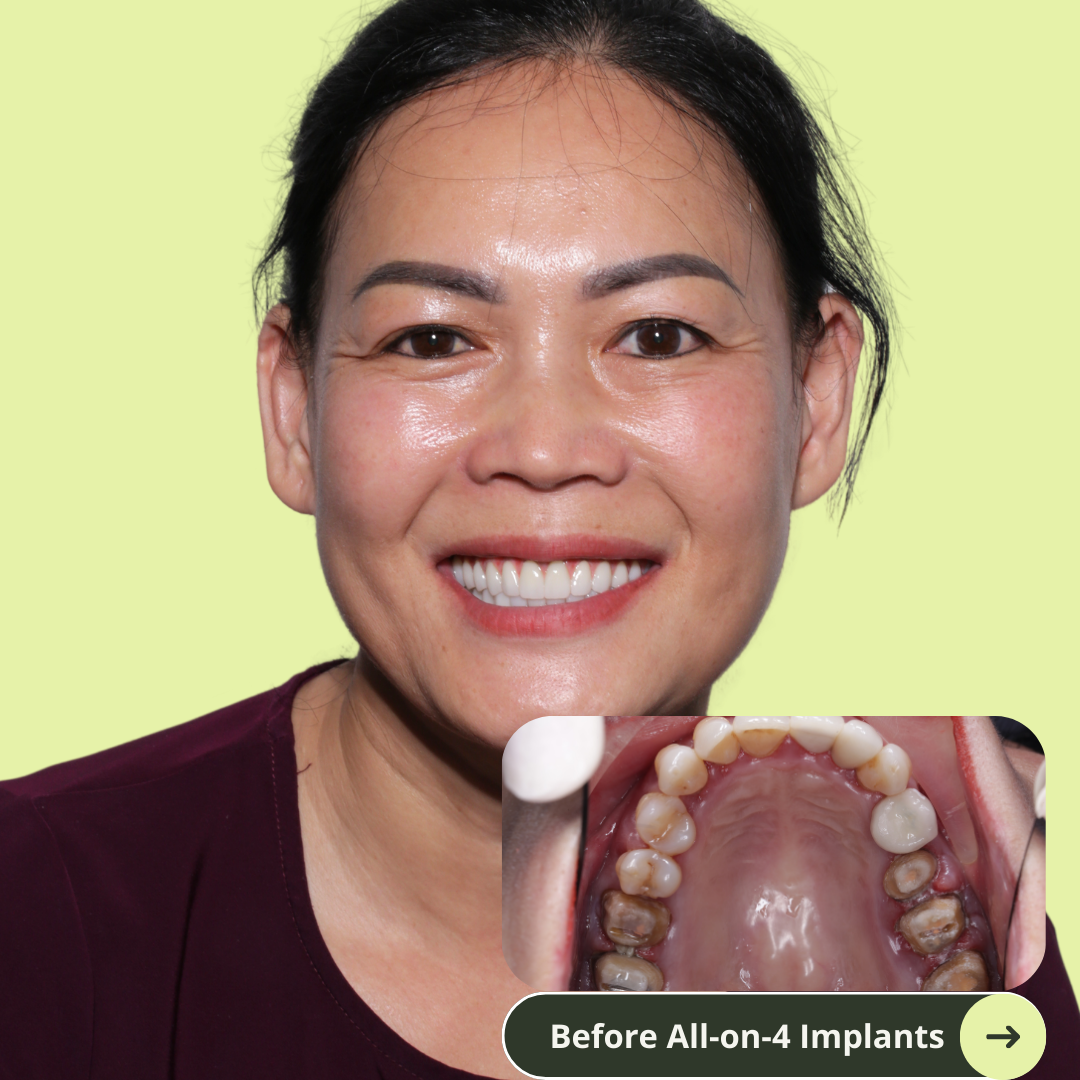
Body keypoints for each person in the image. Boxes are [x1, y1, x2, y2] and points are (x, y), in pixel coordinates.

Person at [0, 1, 1073, 1077]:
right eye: (432, 338)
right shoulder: (37, 914)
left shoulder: (946, 950)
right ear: (293, 412)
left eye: (659, 335)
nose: (547, 448)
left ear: (818, 399)